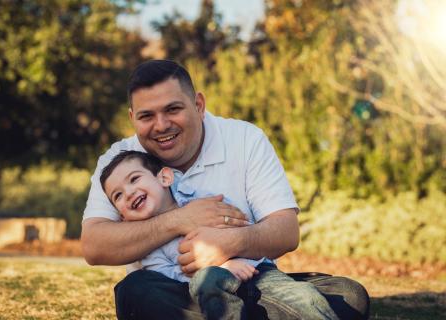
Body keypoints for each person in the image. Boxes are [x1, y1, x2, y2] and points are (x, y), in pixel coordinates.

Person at [81, 59, 370, 320]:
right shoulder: (120, 161)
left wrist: (227, 244)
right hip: (175, 294)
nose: (161, 125)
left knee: (350, 296)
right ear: (133, 118)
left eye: (173, 109)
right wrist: (180, 220)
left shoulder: (245, 139)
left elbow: (286, 230)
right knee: (135, 292)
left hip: (252, 280)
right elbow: (94, 246)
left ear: (198, 105)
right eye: (146, 116)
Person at [100, 150, 340, 320]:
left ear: (164, 177)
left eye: (134, 180)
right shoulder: (149, 247)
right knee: (141, 291)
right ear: (120, 215)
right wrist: (218, 269)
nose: (129, 193)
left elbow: (241, 227)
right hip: (202, 295)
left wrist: (232, 257)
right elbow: (167, 279)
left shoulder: (201, 200)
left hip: (255, 276)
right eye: (118, 196)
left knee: (308, 298)